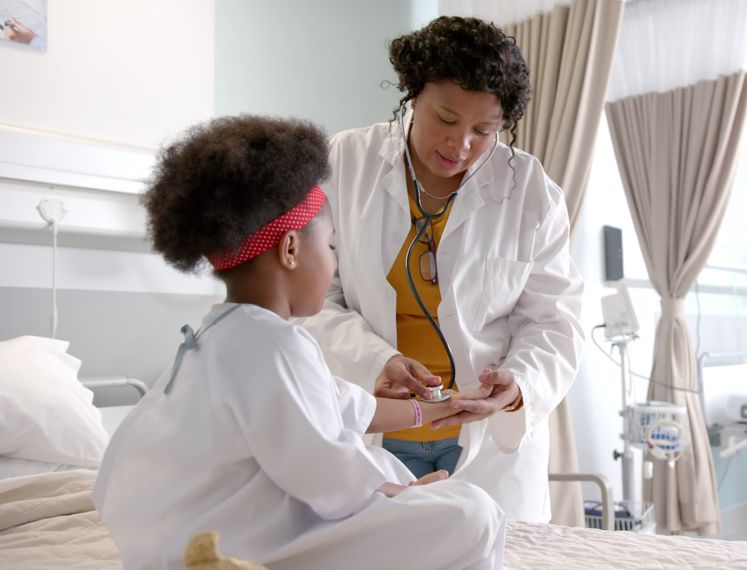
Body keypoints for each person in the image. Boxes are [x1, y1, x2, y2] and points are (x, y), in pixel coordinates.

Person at [92, 115, 504, 570]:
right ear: (290, 249)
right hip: (239, 539)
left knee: (428, 493)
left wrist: (439, 408)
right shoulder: (271, 345)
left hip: (180, 534)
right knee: (474, 512)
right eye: (330, 247)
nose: (332, 262)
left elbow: (345, 408)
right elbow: (326, 472)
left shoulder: (221, 334)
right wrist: (405, 494)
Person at [300, 16, 584, 523]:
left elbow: (554, 319)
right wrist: (374, 362)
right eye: (446, 118)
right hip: (375, 432)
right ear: (413, 95)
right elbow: (313, 296)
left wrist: (518, 383)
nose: (461, 145)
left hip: (486, 446)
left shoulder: (530, 191)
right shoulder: (344, 161)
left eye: (484, 130)